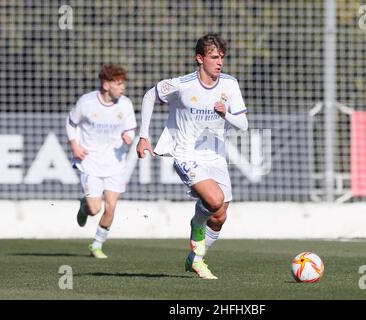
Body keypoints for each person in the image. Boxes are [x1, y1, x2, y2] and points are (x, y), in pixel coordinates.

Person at [136, 33, 248, 279]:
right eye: (214, 57)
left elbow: (243, 125)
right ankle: (197, 224)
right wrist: (143, 135)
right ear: (200, 59)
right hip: (185, 154)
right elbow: (149, 96)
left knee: (219, 216)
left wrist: (225, 114)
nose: (219, 62)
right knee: (214, 200)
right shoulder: (183, 84)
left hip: (216, 156)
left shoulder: (229, 84)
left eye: (222, 57)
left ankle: (195, 259)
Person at [66, 64, 137, 259]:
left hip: (115, 163)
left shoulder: (125, 104)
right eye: (118, 83)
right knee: (94, 208)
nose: (122, 88)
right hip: (90, 161)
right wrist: (75, 146)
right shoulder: (87, 102)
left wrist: (128, 137)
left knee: (111, 207)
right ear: (106, 85)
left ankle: (97, 244)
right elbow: (71, 123)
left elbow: (130, 128)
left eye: (123, 83)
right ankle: (84, 205)